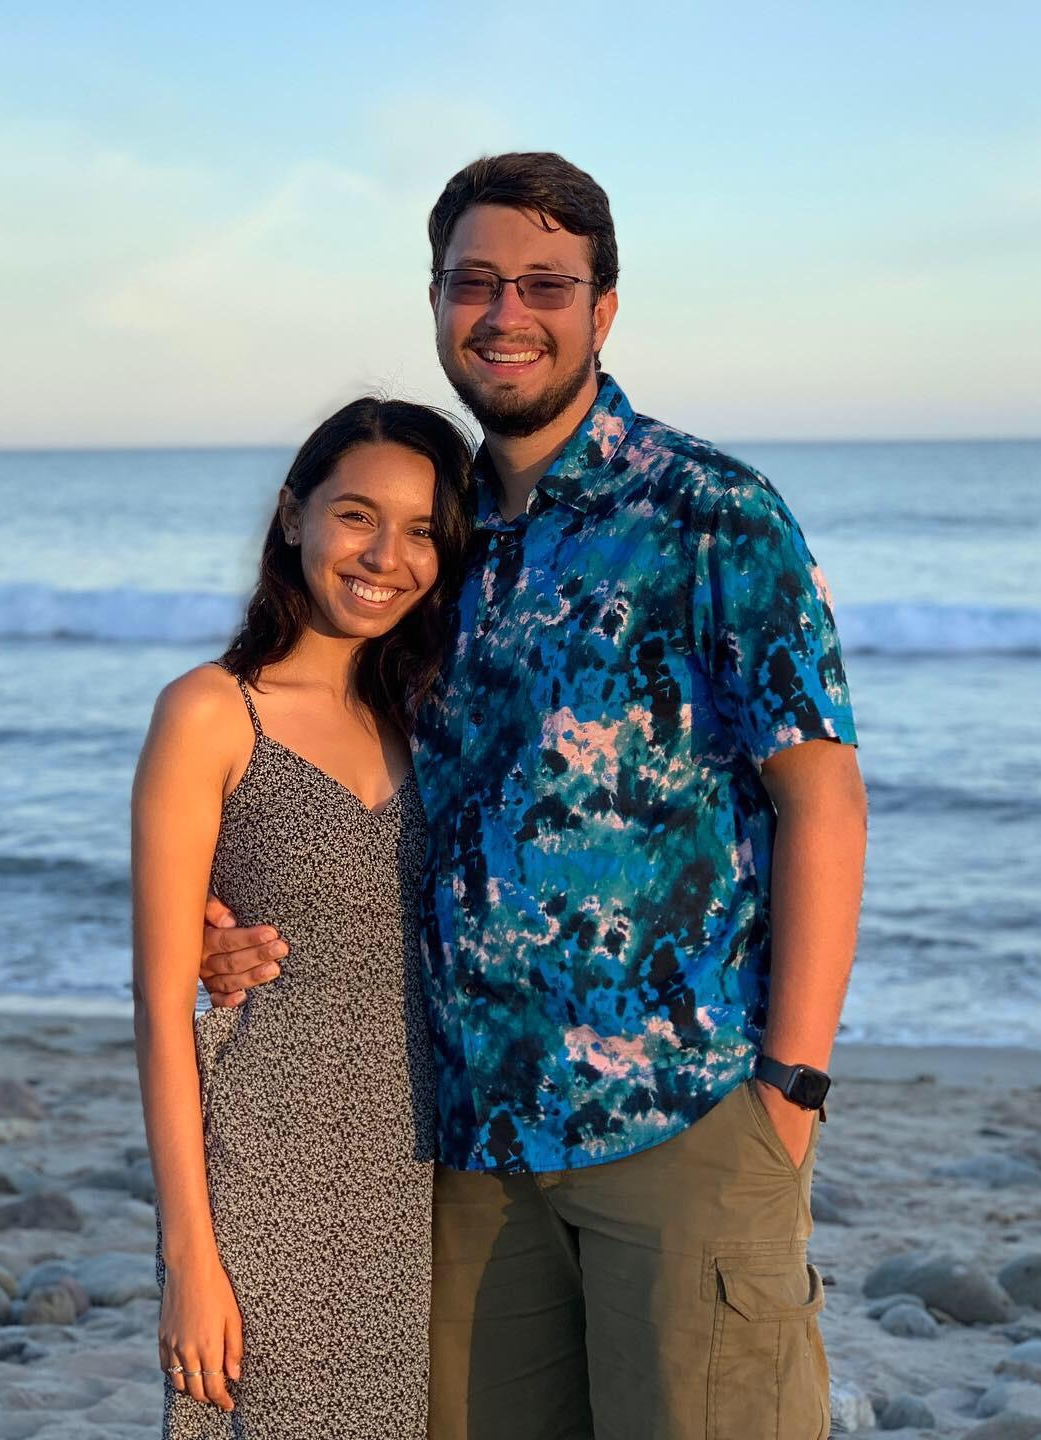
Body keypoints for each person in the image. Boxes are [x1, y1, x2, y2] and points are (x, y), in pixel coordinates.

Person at [200, 153, 868, 1440]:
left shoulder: (710, 514)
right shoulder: (431, 542)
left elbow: (822, 799)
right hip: (463, 1146)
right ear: (437, 301)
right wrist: (224, 918)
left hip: (679, 1117)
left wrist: (791, 1088)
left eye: (545, 284)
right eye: (476, 282)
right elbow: (324, 756)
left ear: (602, 308)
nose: (507, 313)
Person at [130, 395, 473, 1437]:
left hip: (434, 1179)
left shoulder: (437, 718)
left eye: (421, 531)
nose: (386, 557)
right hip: (267, 1169)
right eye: (357, 515)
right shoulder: (210, 712)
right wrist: (190, 1258)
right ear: (293, 515)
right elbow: (159, 1007)